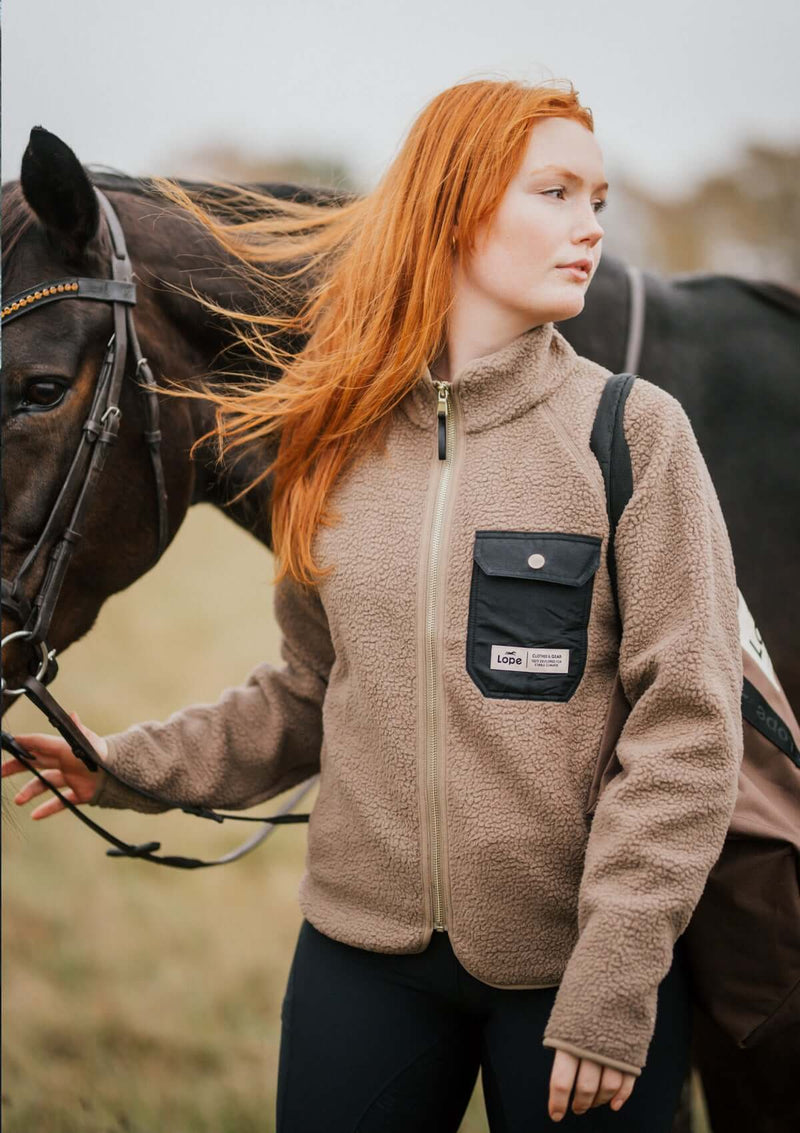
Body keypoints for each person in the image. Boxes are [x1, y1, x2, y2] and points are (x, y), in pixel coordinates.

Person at [3, 77, 743, 1130]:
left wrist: (614, 981)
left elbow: (686, 732)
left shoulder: (632, 434)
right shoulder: (330, 439)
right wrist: (125, 765)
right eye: (554, 193)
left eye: (597, 199)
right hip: (360, 968)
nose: (589, 229)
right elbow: (308, 691)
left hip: (572, 977)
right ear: (450, 207)